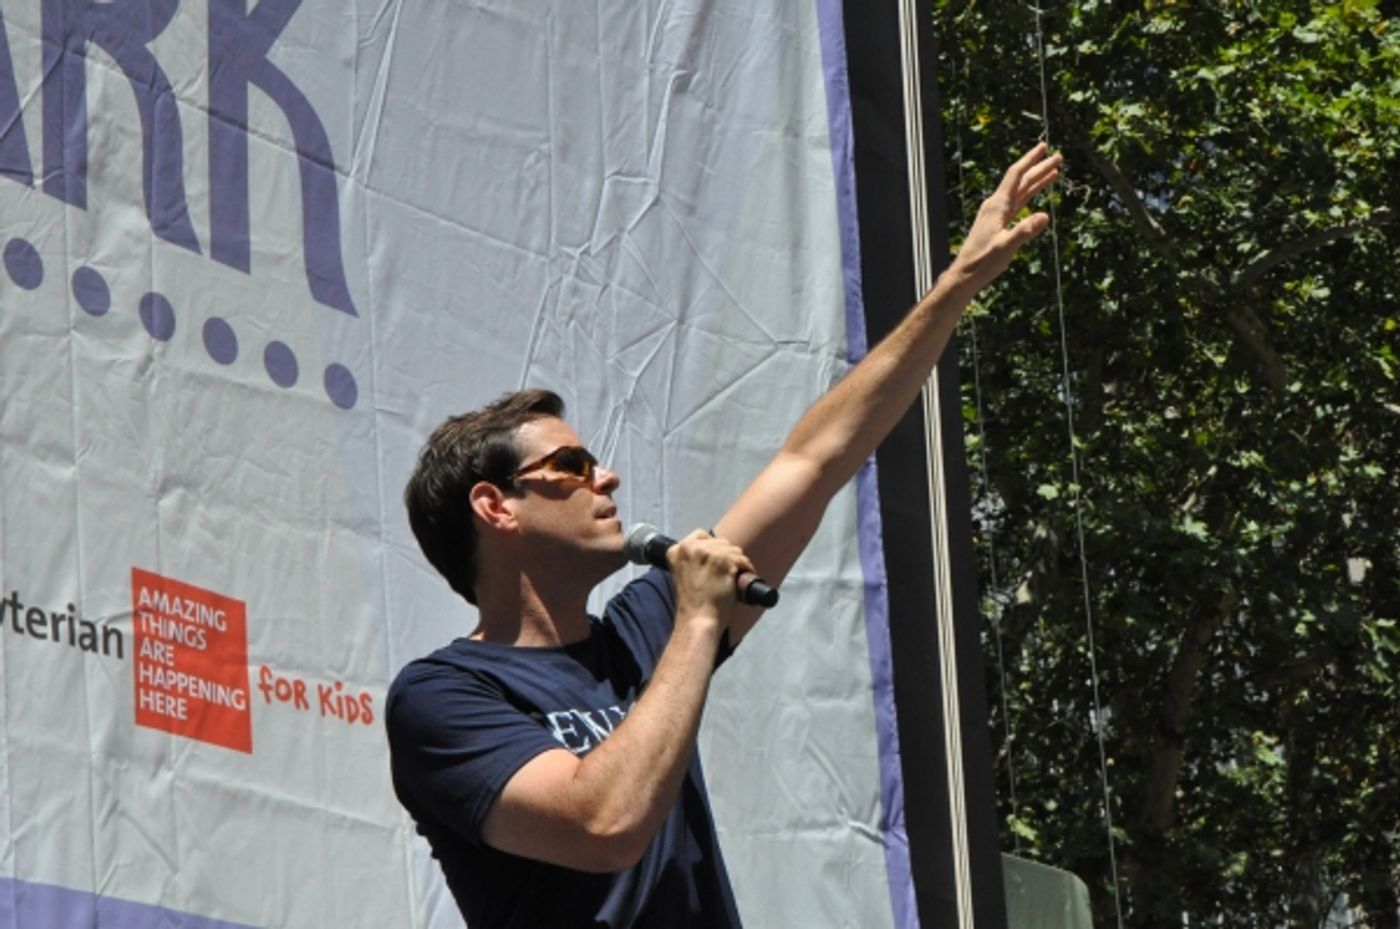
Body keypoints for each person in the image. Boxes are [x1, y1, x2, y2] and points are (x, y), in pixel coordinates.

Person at [385, 143, 1062, 928]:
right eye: (572, 464)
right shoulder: (445, 696)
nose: (607, 480)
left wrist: (955, 286)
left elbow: (812, 460)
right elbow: (604, 822)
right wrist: (700, 623)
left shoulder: (642, 629)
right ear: (496, 506)